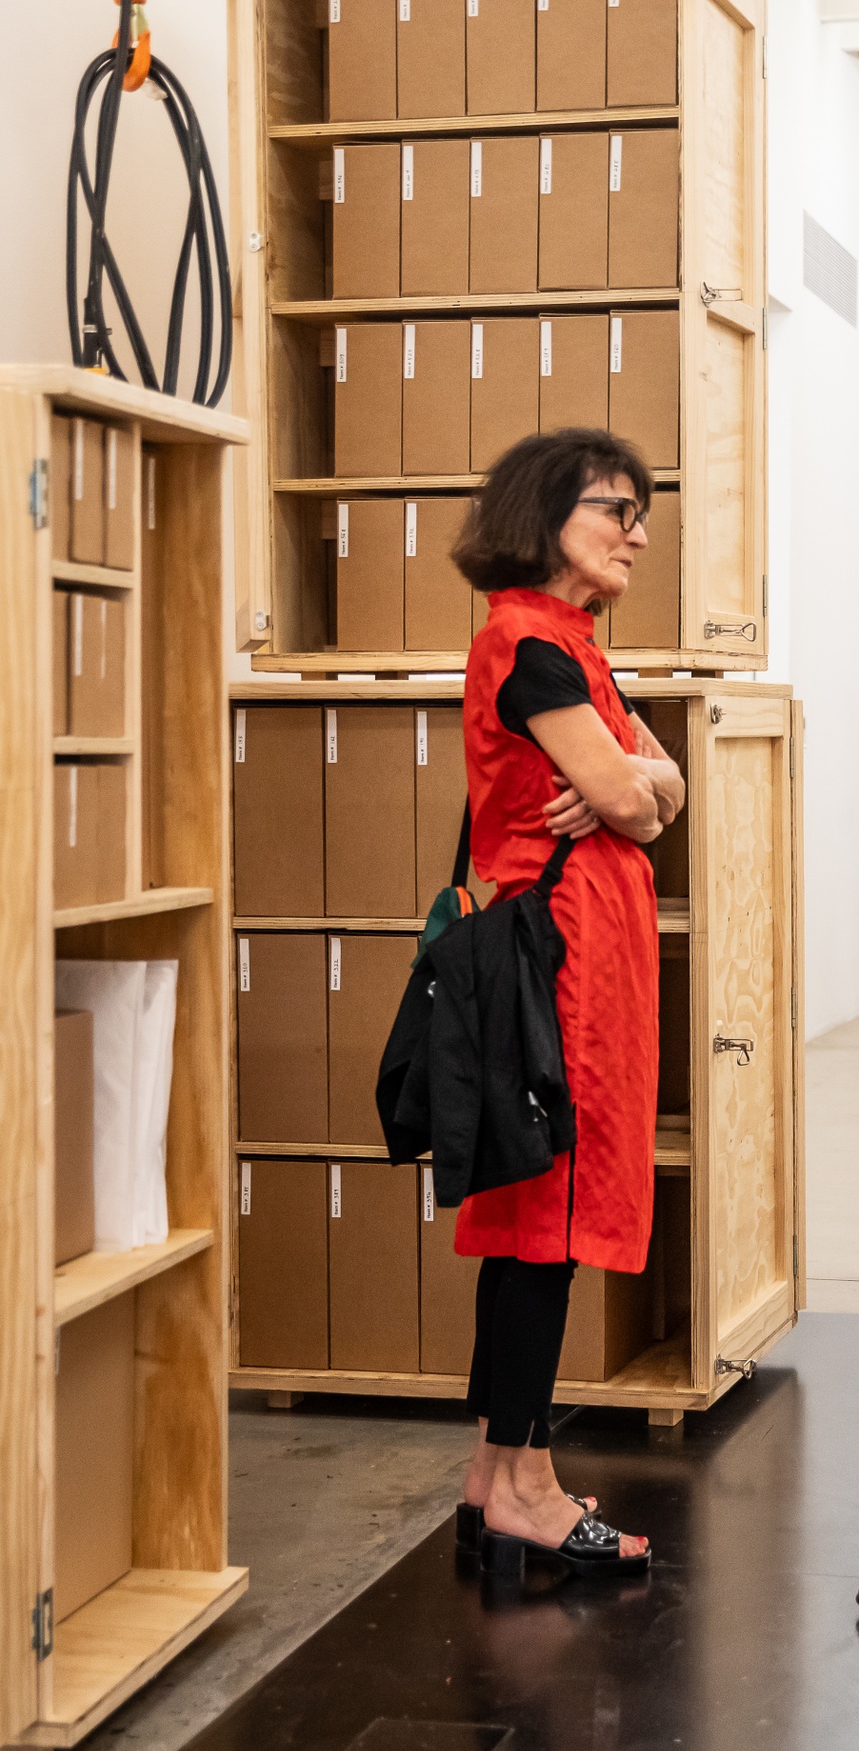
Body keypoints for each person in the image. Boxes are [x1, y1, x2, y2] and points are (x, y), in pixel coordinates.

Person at [450, 428, 685, 1577]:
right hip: (563, 963)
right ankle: (529, 1488)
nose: (636, 533)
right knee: (547, 1220)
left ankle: (492, 1473)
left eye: (642, 514)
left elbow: (657, 781)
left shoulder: (569, 647)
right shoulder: (535, 651)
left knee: (533, 1213)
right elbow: (640, 802)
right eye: (615, 511)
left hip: (575, 952)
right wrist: (626, 790)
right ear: (547, 520)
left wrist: (629, 784)